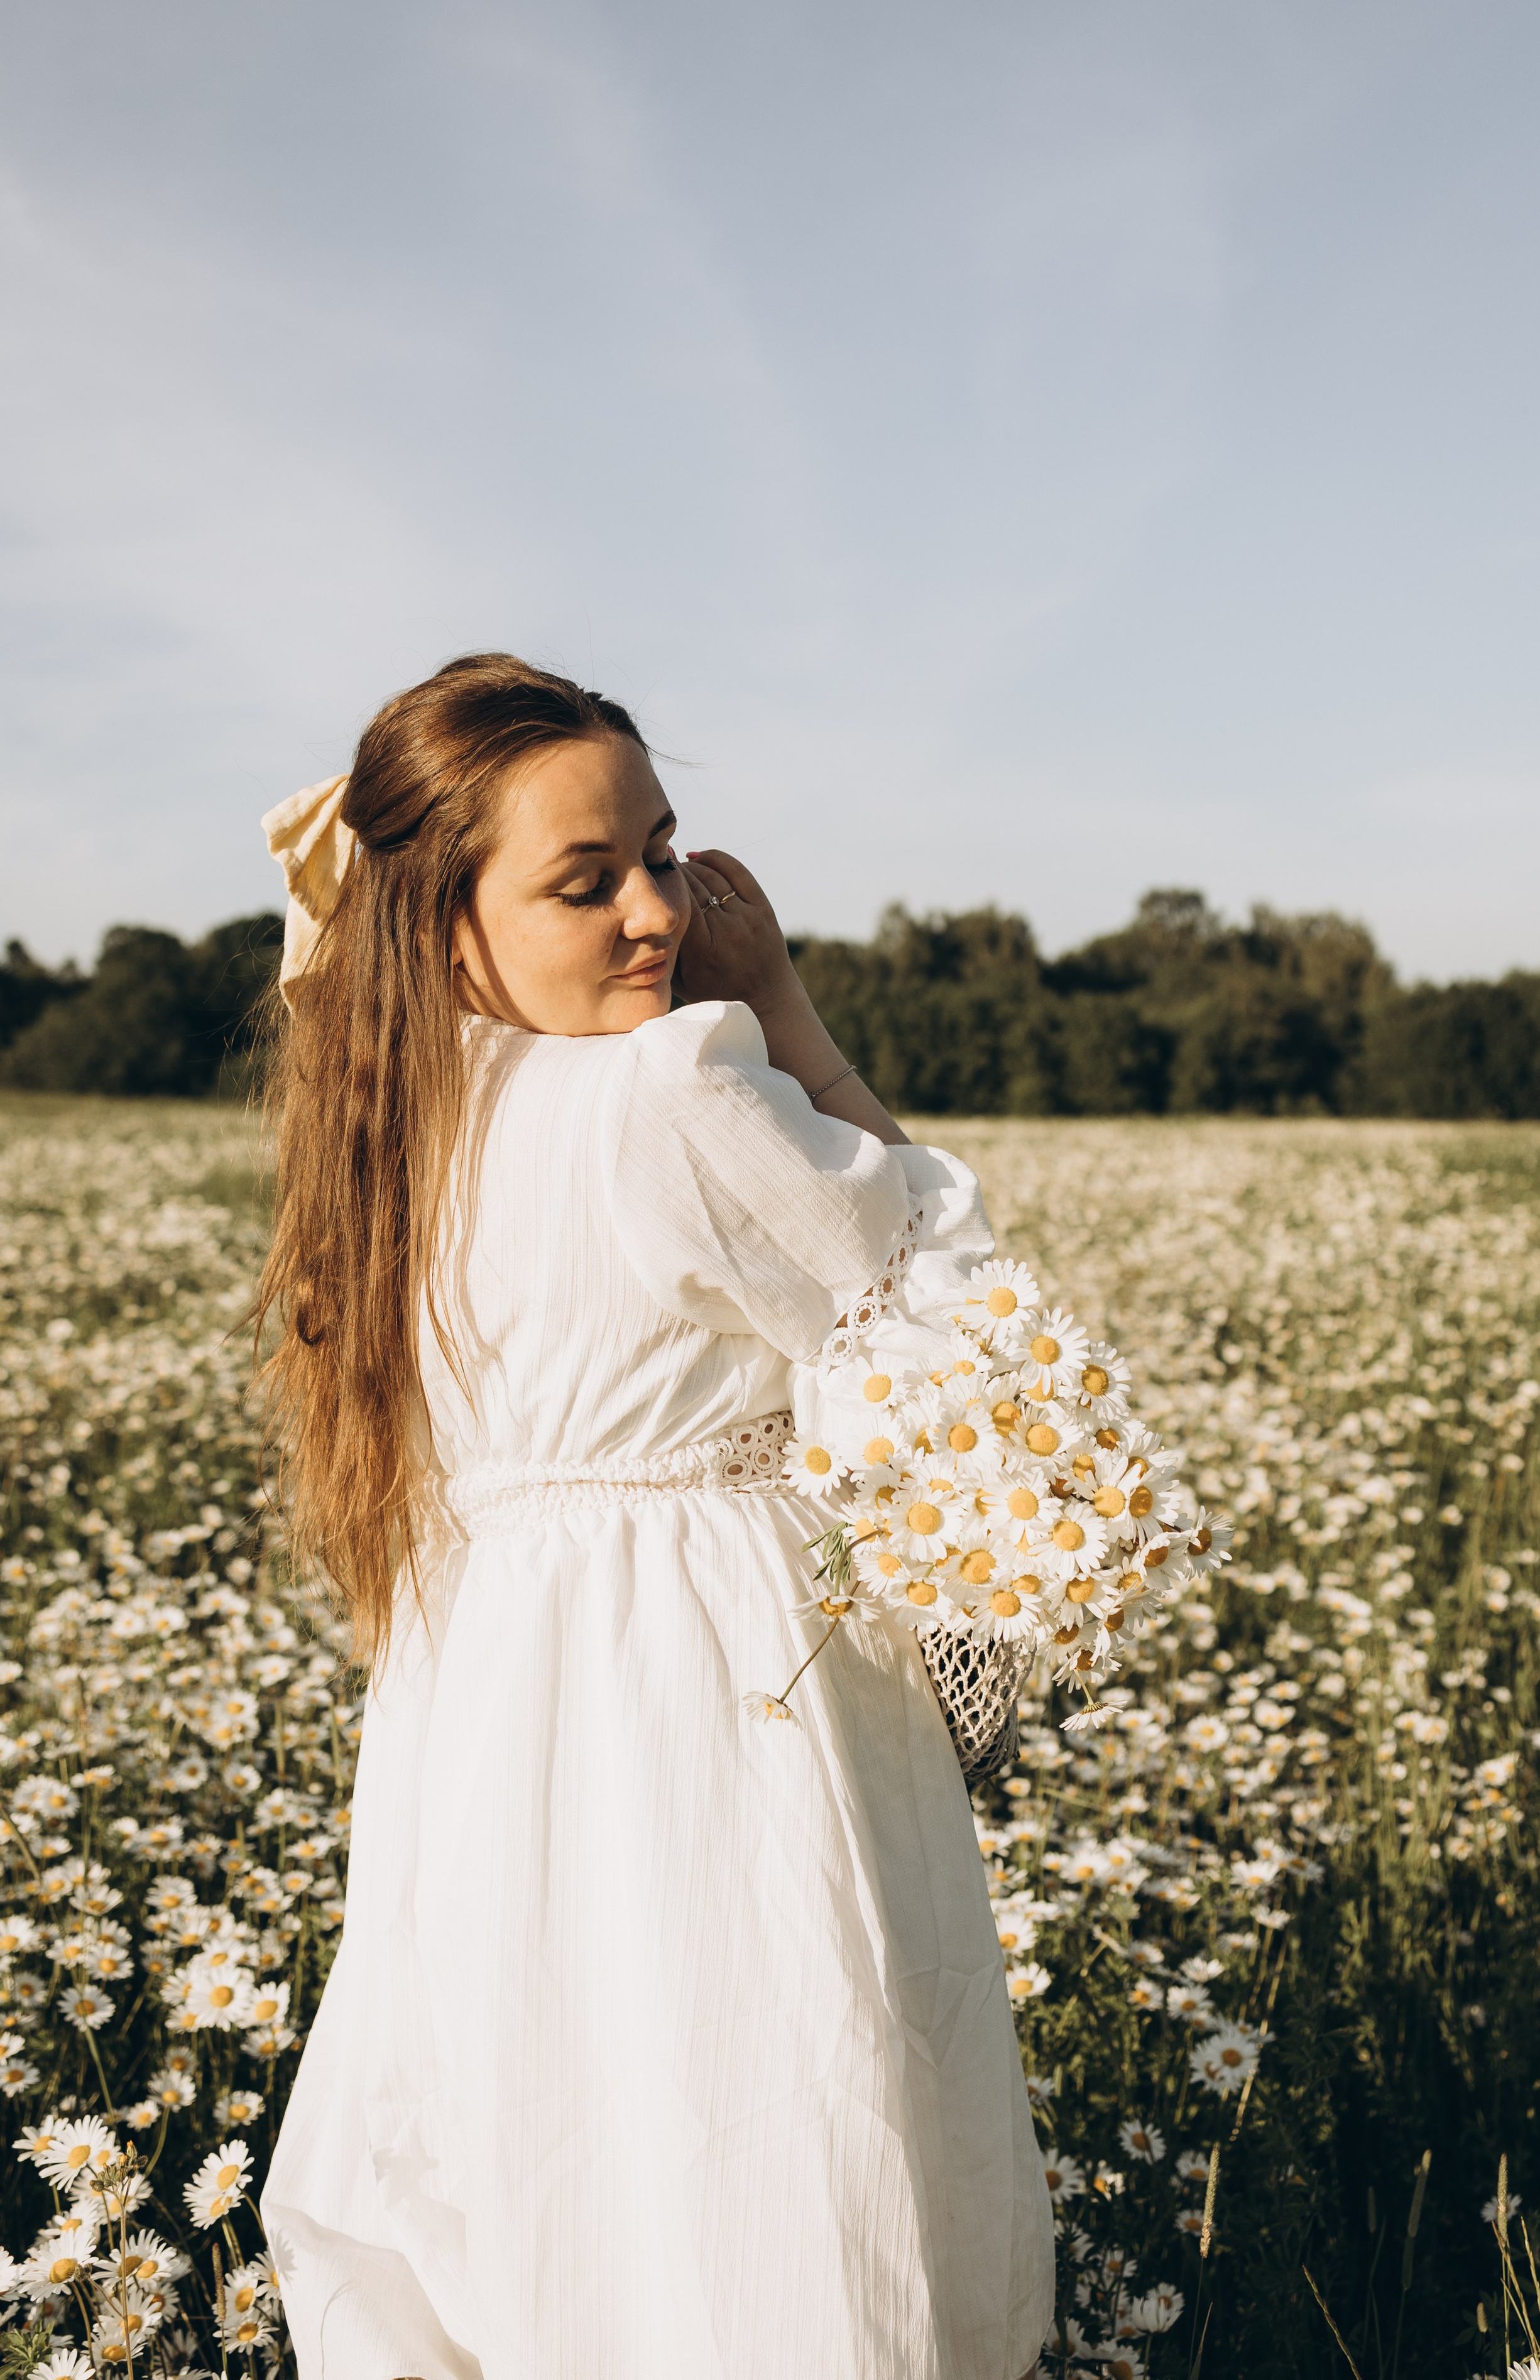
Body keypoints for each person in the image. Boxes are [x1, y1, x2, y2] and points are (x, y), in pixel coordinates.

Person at [254, 654, 1054, 2379]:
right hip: (713, 1693)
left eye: (664, 853)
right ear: (447, 925)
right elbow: (947, 1317)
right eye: (585, 877)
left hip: (491, 1711)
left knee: (543, 2142)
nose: (658, 915)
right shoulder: (678, 1090)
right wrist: (801, 1024)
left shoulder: (390, 1122)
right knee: (760, 2129)